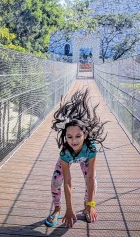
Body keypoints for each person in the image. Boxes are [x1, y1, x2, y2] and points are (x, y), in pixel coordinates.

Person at [44, 88, 107, 228]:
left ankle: (87, 207)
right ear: (65, 137)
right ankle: (57, 209)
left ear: (85, 134)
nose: (74, 141)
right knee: (56, 180)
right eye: (69, 137)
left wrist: (92, 204)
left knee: (93, 181)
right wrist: (69, 209)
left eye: (78, 136)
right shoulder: (65, 152)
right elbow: (68, 182)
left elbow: (89, 177)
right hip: (69, 158)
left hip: (85, 158)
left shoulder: (91, 148)